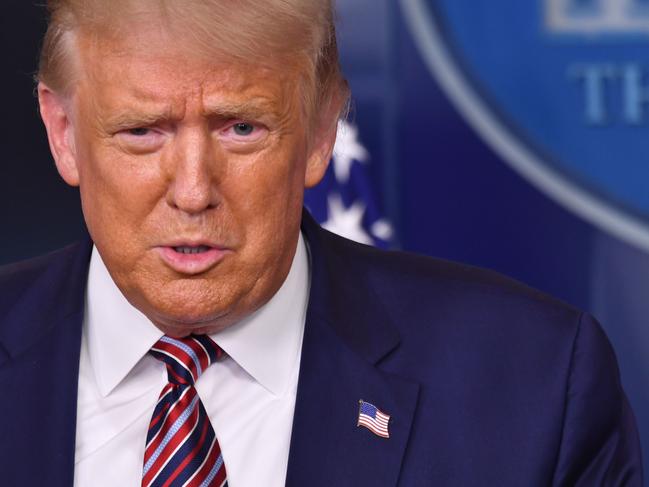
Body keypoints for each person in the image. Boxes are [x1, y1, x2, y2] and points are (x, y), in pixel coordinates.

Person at [0, 1, 642, 485]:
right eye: (142, 131)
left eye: (241, 128)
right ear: (62, 131)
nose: (193, 192)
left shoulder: (534, 388)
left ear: (320, 131)